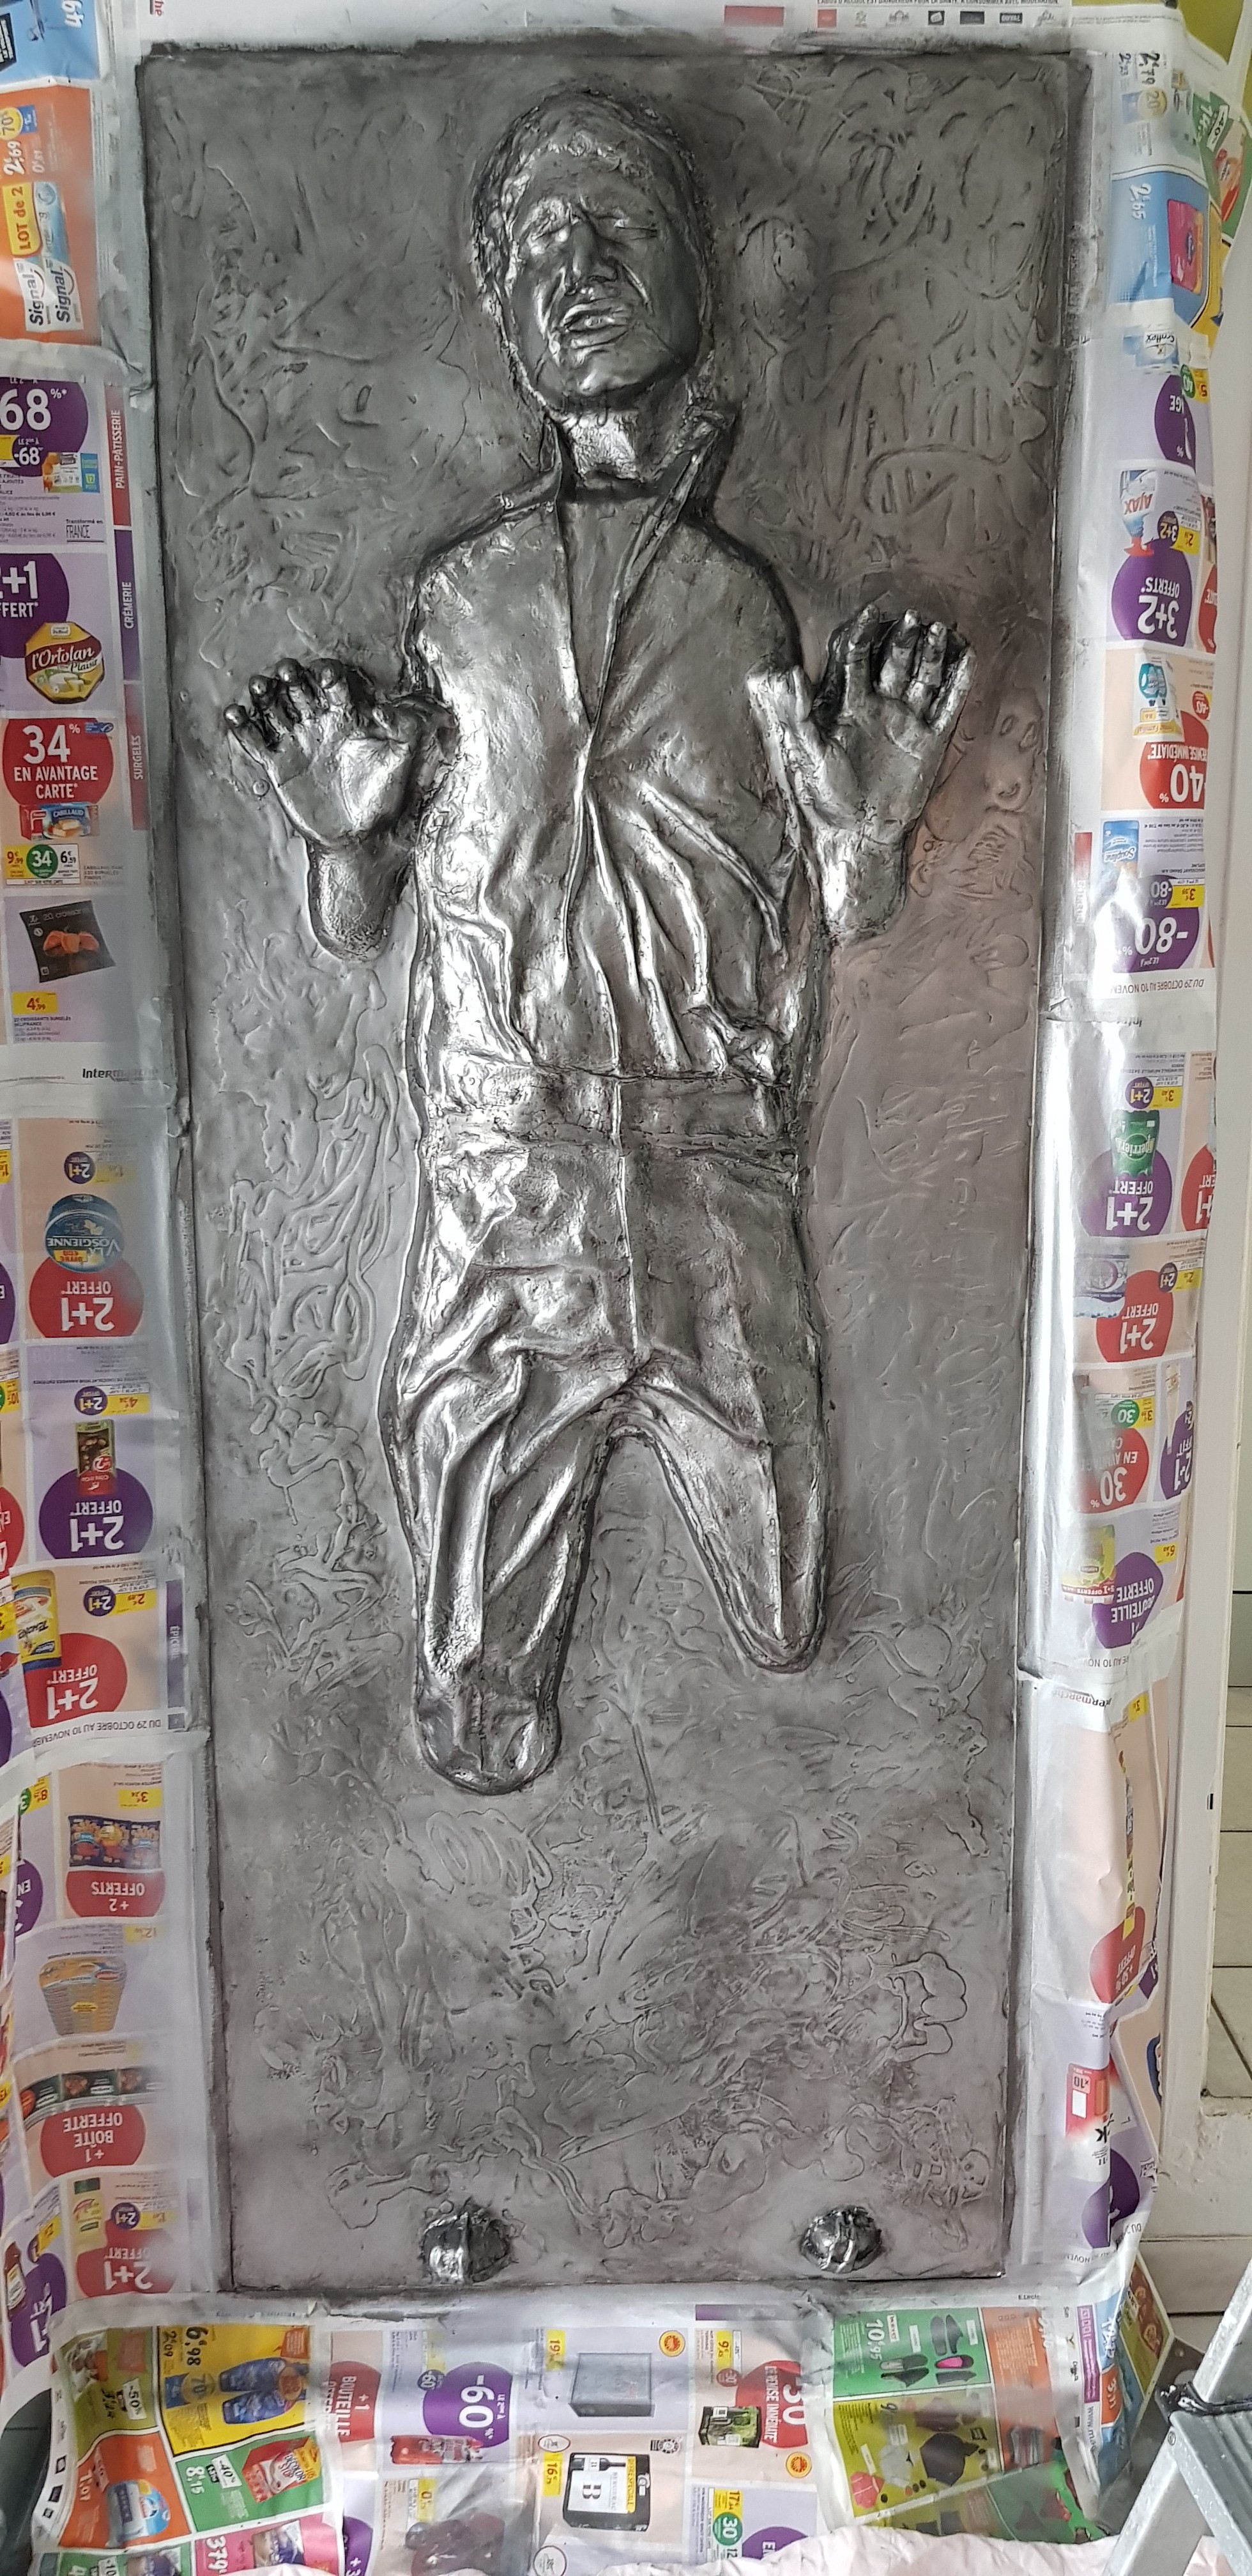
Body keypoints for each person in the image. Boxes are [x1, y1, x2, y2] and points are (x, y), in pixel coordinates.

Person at [225, 89, 972, 1797]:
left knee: (791, 1618)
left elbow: (840, 909)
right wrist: (338, 836)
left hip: (714, 1181)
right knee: (475, 1715)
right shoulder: (459, 597)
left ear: (697, 275)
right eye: (542, 246)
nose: (583, 265)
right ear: (501, 318)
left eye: (623, 228)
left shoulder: (742, 604)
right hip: (508, 1194)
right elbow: (360, 920)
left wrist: (868, 837)